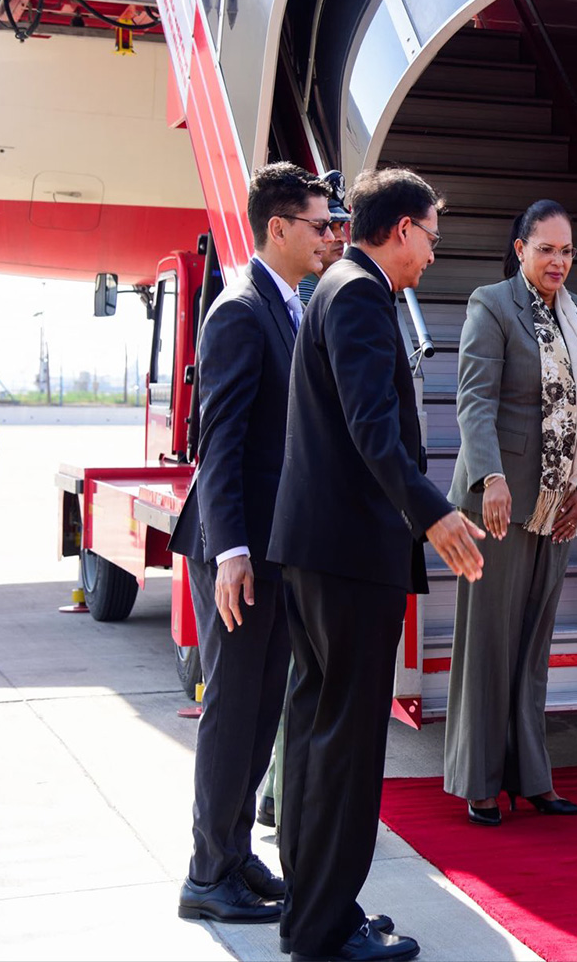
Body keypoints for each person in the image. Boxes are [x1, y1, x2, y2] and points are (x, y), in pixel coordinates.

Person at [269, 167, 487, 962]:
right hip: (349, 555)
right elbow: (372, 430)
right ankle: (326, 929)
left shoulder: (335, 286)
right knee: (348, 746)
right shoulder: (360, 295)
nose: (433, 253)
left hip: (318, 551)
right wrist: (431, 512)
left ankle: (314, 911)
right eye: (432, 235)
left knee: (318, 735)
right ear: (402, 230)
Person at [172, 163, 335, 925]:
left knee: (261, 705)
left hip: (271, 548)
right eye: (318, 223)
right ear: (279, 227)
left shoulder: (286, 304)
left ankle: (235, 854)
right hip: (237, 549)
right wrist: (232, 550)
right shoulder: (241, 309)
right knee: (234, 710)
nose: (328, 235)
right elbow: (222, 442)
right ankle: (207, 873)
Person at [444, 199, 577, 826]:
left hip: (557, 510)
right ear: (520, 250)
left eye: (567, 251)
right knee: (488, 644)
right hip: (500, 504)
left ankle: (532, 777)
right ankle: (481, 783)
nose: (558, 262)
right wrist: (489, 476)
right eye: (546, 249)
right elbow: (475, 401)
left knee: (533, 647)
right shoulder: (491, 304)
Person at [257, 167, 352, 833]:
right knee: (302, 677)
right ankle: (282, 803)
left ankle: (277, 797)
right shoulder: (316, 294)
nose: (332, 236)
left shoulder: (321, 287)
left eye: (337, 225)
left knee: (300, 675)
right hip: (299, 521)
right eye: (325, 225)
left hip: (308, 516)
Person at [295, 169, 351, 306]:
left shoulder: (330, 285)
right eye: (327, 227)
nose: (341, 238)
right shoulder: (304, 292)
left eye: (341, 227)